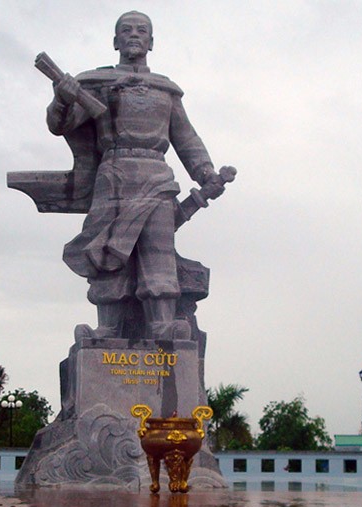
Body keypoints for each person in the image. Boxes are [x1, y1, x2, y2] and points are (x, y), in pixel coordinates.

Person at [46, 11, 229, 341]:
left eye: (141, 30)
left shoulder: (165, 90)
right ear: (115, 41)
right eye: (126, 30)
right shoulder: (98, 85)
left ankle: (162, 325)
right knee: (107, 254)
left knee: (158, 253)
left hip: (156, 175)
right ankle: (107, 328)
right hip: (114, 174)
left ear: (151, 42)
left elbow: (186, 138)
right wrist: (62, 97)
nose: (134, 35)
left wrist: (205, 172)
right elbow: (61, 125)